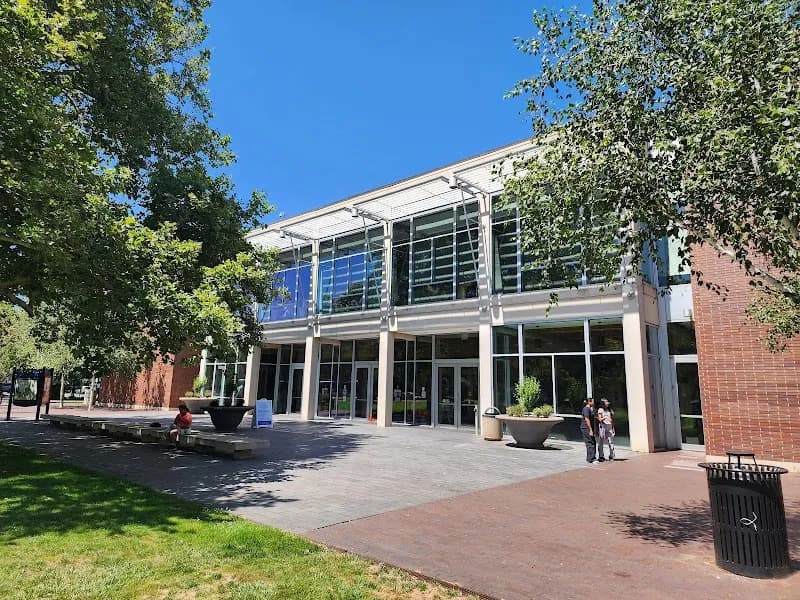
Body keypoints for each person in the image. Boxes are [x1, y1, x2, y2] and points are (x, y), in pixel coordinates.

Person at [580, 397, 596, 463]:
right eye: (593, 401)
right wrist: (590, 430)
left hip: (588, 428)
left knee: (593, 442)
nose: (594, 403)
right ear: (589, 402)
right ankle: (590, 459)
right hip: (586, 428)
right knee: (590, 443)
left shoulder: (590, 409)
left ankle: (592, 457)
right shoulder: (586, 409)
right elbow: (587, 419)